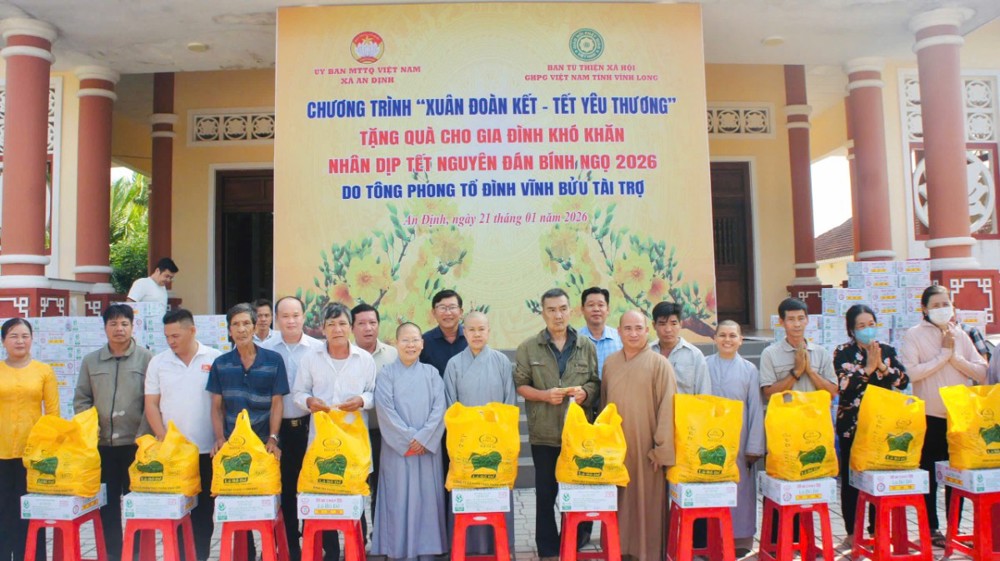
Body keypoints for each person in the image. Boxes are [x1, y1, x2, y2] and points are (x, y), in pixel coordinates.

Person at [514, 288, 600, 561]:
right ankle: (549, 551)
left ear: (571, 310)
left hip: (578, 435)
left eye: (562, 308)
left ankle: (575, 542)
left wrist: (585, 393)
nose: (558, 315)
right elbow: (521, 385)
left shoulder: (586, 346)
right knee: (546, 494)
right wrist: (543, 395)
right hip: (545, 434)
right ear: (543, 313)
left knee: (579, 491)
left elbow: (595, 383)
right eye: (551, 310)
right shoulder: (528, 347)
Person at [900, 285, 987, 546]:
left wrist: (955, 356)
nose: (941, 309)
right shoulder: (913, 335)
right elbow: (911, 373)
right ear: (924, 309)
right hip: (930, 415)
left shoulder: (960, 334)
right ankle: (931, 529)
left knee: (957, 476)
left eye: (945, 304)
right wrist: (944, 355)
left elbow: (981, 372)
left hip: (959, 417)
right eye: (935, 305)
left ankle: (955, 529)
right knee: (929, 474)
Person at [293, 303, 377, 561]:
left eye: (342, 323)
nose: (337, 329)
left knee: (354, 492)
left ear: (350, 327)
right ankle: (329, 549)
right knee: (323, 492)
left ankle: (357, 546)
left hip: (354, 441)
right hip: (321, 439)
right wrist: (309, 402)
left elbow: (374, 393)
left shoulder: (364, 359)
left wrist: (362, 401)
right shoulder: (311, 358)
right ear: (323, 329)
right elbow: (298, 393)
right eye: (331, 325)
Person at [74, 304, 154, 561]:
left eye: (124, 324)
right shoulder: (91, 361)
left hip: (135, 446)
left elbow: (152, 402)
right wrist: (90, 427)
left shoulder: (146, 359)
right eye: (113, 324)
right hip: (103, 446)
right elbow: (82, 399)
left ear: (133, 326)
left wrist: (144, 435)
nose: (119, 329)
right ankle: (112, 553)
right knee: (107, 506)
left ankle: (137, 552)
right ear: (105, 327)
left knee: (137, 503)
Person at [144, 309, 222, 561]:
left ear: (192, 330)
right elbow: (151, 405)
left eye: (176, 335)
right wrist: (163, 438)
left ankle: (199, 556)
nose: (171, 341)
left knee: (203, 515)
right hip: (173, 454)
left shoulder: (215, 359)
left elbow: (220, 405)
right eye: (167, 336)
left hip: (206, 450)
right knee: (175, 513)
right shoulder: (158, 362)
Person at [600, 310, 676, 561]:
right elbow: (604, 407)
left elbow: (668, 408)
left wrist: (661, 450)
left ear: (647, 331)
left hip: (646, 450)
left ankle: (648, 554)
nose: (633, 333)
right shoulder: (610, 363)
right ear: (618, 332)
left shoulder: (659, 364)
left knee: (647, 505)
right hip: (617, 451)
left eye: (638, 328)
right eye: (627, 328)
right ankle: (618, 551)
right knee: (619, 504)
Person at [833, 305, 908, 550]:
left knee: (879, 479)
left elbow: (903, 380)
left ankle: (877, 530)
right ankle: (852, 532)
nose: (867, 330)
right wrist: (868, 369)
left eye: (871, 324)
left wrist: (882, 367)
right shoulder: (842, 352)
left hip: (881, 426)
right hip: (851, 426)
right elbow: (844, 385)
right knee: (851, 479)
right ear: (852, 330)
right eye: (861, 326)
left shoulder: (886, 351)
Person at [372, 323, 448, 561]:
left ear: (422, 344)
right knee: (397, 496)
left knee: (427, 497)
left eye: (415, 340)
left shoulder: (431, 373)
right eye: (405, 340)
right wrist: (408, 439)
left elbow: (440, 409)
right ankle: (398, 547)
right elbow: (385, 411)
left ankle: (428, 547)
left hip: (426, 449)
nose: (411, 345)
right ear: (396, 343)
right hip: (397, 450)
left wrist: (423, 438)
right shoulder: (385, 374)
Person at [443, 311, 516, 557]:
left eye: (481, 329)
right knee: (468, 494)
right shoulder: (454, 364)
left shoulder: (501, 362)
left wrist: (496, 434)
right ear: (464, 332)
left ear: (488, 331)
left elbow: (509, 406)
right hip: (467, 445)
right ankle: (466, 549)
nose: (476, 334)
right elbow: (451, 407)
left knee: (496, 494)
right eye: (471, 329)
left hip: (496, 444)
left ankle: (502, 547)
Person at [263, 296, 323, 561]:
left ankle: (315, 544)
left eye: (296, 315)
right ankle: (289, 547)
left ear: (303, 316)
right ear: (277, 319)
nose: (291, 321)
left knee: (312, 486)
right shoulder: (266, 349)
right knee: (285, 489)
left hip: (309, 428)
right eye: (285, 316)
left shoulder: (317, 348)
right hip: (277, 431)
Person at [706, 320, 766, 556]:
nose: (727, 340)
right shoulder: (704, 365)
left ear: (741, 340)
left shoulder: (749, 370)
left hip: (740, 442)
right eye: (723, 335)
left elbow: (754, 408)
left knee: (740, 490)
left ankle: (740, 539)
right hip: (710, 439)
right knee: (712, 488)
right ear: (715, 338)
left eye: (733, 336)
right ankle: (713, 537)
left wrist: (754, 446)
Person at [0, 319, 55, 561]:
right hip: (1, 453)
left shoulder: (44, 371)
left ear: (32, 339)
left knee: (31, 513)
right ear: (3, 341)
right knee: (3, 512)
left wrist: (49, 450)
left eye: (25, 335)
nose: (20, 341)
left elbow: (53, 414)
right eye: (13, 336)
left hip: (33, 457)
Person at [207, 302, 288, 454]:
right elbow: (216, 407)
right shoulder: (220, 364)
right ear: (230, 331)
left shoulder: (274, 360)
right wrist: (220, 438)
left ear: (255, 328)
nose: (241, 329)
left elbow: (277, 403)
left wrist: (273, 438)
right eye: (235, 324)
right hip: (233, 443)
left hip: (264, 444)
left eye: (246, 323)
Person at [351, 302, 398, 520]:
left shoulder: (393, 355)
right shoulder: (346, 355)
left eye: (372, 322)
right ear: (352, 328)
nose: (368, 328)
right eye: (361, 323)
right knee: (355, 485)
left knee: (382, 486)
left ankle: (379, 538)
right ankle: (358, 537)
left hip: (383, 433)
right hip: (352, 433)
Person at [759, 298, 838, 398]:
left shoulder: (821, 352)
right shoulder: (770, 353)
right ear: (781, 322)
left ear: (807, 320)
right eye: (791, 319)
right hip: (787, 413)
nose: (797, 324)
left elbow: (833, 393)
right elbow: (768, 394)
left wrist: (810, 371)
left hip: (814, 413)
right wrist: (796, 372)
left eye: (801, 318)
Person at [650, 301, 711, 395]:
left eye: (673, 324)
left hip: (685, 409)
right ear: (654, 325)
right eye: (662, 324)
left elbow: (704, 391)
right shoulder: (646, 353)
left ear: (680, 324)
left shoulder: (695, 355)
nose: (668, 329)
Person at [420, 289, 468, 376]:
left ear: (461, 312)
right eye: (442, 308)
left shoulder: (471, 338)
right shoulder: (424, 341)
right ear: (434, 313)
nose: (448, 313)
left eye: (452, 307)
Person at [578, 287, 622, 377]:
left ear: (608, 309)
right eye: (591, 305)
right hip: (584, 390)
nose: (596, 309)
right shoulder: (574, 340)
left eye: (601, 305)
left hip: (614, 390)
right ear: (582, 310)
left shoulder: (620, 338)